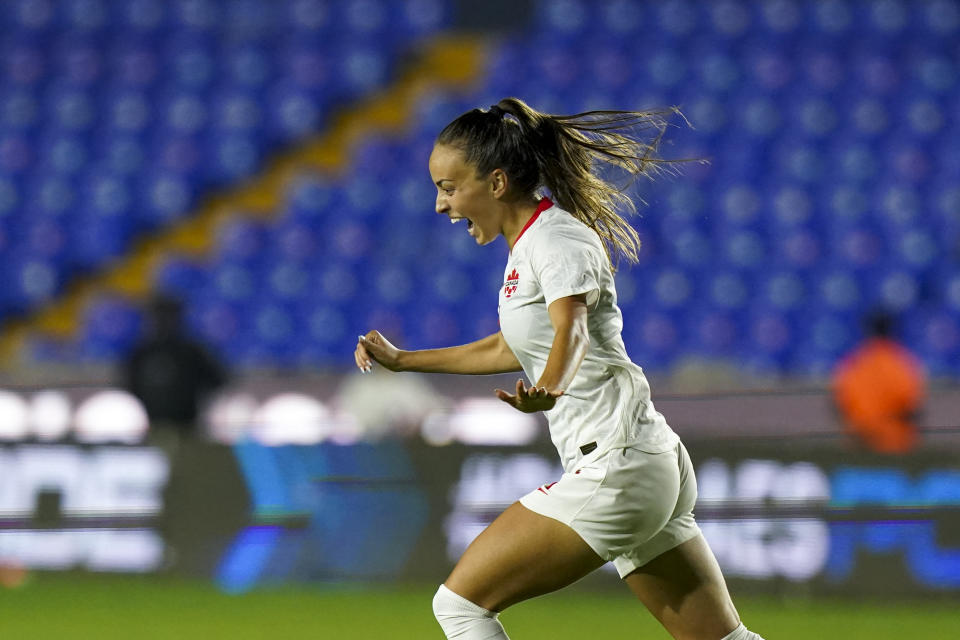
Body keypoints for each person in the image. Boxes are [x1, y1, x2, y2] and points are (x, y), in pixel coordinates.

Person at [354, 98, 763, 640]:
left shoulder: (557, 239)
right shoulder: (531, 246)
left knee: (460, 605)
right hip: (642, 460)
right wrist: (405, 362)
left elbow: (569, 326)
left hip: (615, 463)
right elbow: (509, 347)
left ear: (496, 183)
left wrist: (549, 386)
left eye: (448, 188)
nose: (440, 205)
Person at [123, 294, 227, 452]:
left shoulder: (192, 352)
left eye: (167, 316)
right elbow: (129, 388)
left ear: (177, 318)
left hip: (186, 428)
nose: (162, 321)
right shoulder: (141, 353)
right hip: (150, 429)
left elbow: (217, 381)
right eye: (158, 316)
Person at [832, 308, 926, 454]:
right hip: (895, 447)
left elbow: (838, 406)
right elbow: (911, 409)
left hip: (859, 445)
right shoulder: (902, 362)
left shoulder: (854, 361)